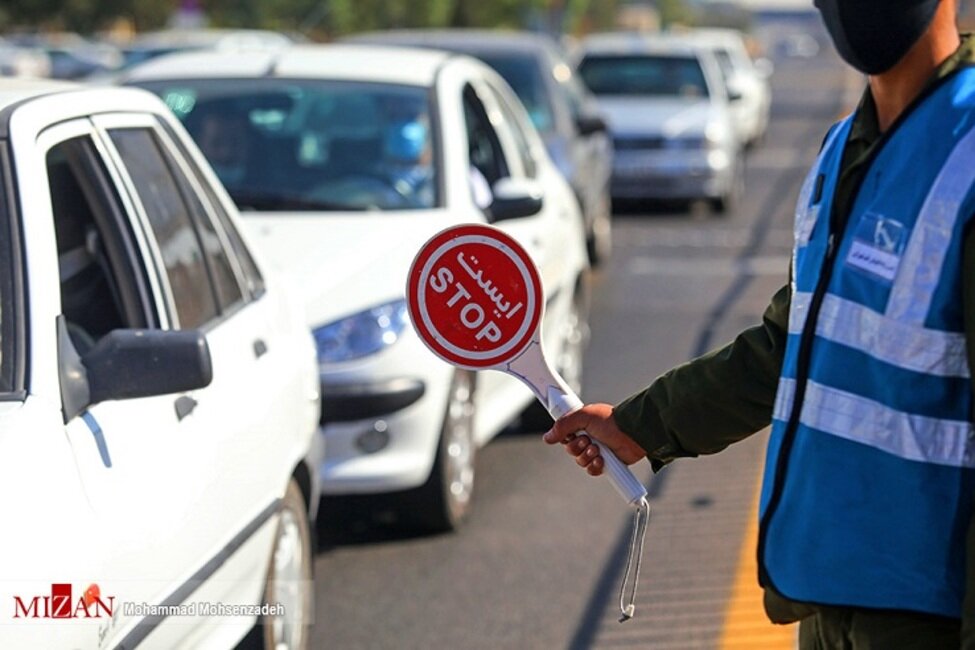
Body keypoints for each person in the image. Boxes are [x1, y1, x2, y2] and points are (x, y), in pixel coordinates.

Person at [544, 1, 975, 647]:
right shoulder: (843, 151)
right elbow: (792, 344)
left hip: (930, 608)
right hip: (827, 588)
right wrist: (641, 426)